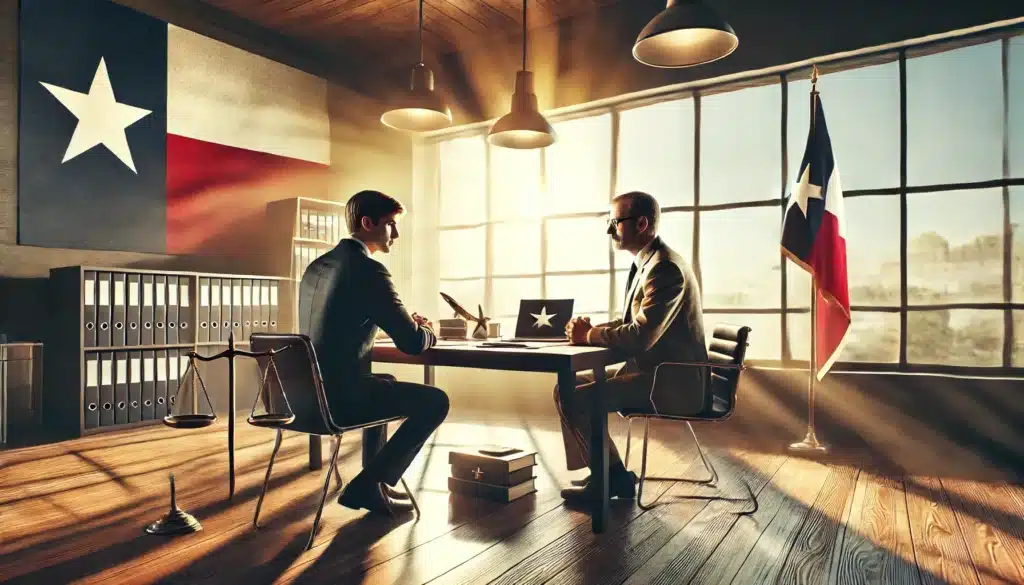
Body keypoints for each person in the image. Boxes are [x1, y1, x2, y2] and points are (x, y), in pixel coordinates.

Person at [299, 190, 449, 515]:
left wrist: (400, 323)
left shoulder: (316, 268)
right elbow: (411, 343)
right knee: (436, 401)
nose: (395, 234)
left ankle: (374, 484)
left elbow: (337, 323)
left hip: (303, 399)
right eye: (391, 224)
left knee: (383, 380)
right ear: (368, 223)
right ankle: (368, 485)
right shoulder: (368, 270)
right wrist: (428, 332)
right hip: (340, 402)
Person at [555, 191, 708, 504]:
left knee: (575, 397)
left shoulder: (665, 269)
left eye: (615, 222)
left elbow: (641, 336)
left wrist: (589, 336)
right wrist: (592, 331)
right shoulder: (648, 264)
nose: (610, 231)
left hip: (672, 384)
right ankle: (609, 475)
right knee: (567, 385)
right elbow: (633, 320)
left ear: (641, 223)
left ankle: (608, 479)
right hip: (656, 375)